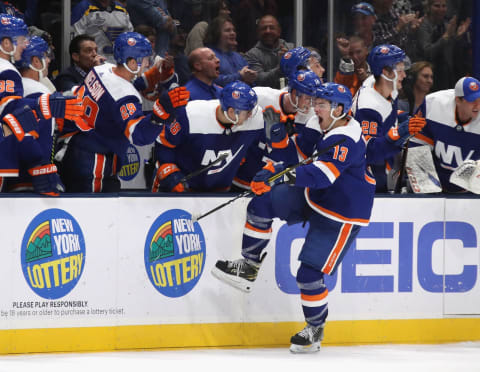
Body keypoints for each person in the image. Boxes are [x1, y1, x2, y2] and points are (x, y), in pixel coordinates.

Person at [212, 82, 376, 353]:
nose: (315, 107)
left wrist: (279, 176)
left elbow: (323, 175)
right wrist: (279, 140)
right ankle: (249, 266)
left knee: (308, 274)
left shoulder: (348, 137)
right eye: (317, 103)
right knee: (262, 203)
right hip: (315, 195)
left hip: (342, 211)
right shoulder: (318, 122)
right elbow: (295, 158)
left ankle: (314, 329)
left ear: (339, 109)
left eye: (322, 104)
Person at [57, 31, 175, 193]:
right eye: (145, 59)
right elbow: (139, 135)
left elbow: (117, 90)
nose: (148, 64)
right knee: (94, 213)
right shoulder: (125, 96)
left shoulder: (101, 69)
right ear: (132, 62)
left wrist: (152, 76)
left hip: (74, 144)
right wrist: (160, 115)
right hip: (94, 160)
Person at [0, 14, 84, 195]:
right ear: (6, 43)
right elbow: (15, 116)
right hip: (22, 173)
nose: (23, 44)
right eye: (21, 40)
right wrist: (41, 167)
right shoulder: (7, 72)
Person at [151, 80, 264, 192]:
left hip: (218, 191)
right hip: (180, 188)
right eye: (248, 111)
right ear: (231, 112)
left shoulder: (256, 118)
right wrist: (170, 174)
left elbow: (266, 148)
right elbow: (164, 144)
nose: (251, 115)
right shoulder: (190, 115)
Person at [352, 44, 426, 192]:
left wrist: (403, 117)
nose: (404, 75)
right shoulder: (368, 107)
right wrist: (399, 133)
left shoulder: (383, 85)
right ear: (385, 72)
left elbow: (386, 114)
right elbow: (369, 152)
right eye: (399, 70)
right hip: (367, 178)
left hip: (387, 165)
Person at [232, 69, 322, 190]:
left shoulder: (312, 118)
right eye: (308, 98)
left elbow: (301, 158)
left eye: (314, 98)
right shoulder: (260, 96)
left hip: (274, 186)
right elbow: (232, 118)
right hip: (241, 179)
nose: (311, 104)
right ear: (294, 93)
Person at [409, 76, 480, 193]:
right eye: (472, 101)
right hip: (435, 185)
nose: (477, 105)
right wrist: (427, 189)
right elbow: (416, 147)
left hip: (472, 190)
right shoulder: (433, 104)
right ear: (458, 100)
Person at [416, 0, 471, 90]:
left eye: (443, 6)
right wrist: (446, 36)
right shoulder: (423, 26)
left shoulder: (445, 25)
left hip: (446, 75)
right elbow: (428, 53)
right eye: (437, 6)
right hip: (429, 76)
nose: (441, 9)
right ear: (428, 8)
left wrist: (458, 36)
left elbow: (449, 49)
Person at [204, 16, 257, 87]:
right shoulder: (208, 55)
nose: (233, 33)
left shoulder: (238, 57)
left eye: (233, 30)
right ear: (216, 33)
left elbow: (250, 80)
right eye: (228, 30)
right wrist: (240, 76)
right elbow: (213, 80)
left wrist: (251, 78)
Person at [243, 15, 293, 89]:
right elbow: (260, 81)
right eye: (263, 28)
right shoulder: (251, 55)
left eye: (272, 28)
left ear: (279, 31)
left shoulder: (291, 48)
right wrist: (281, 66)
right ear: (258, 33)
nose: (268, 31)